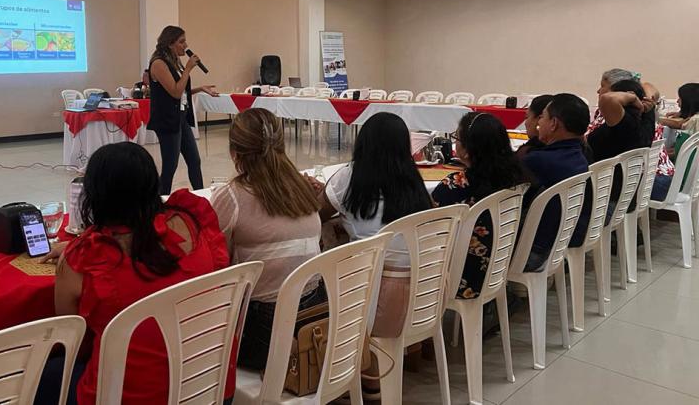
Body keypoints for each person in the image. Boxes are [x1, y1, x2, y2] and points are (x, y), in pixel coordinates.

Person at [35, 142, 231, 405]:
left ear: (95, 196)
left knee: (45, 374)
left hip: (129, 396)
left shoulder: (82, 261)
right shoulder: (192, 221)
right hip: (210, 385)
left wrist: (79, 247)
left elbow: (75, 347)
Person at [210, 108, 325, 370]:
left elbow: (217, 265)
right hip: (316, 314)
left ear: (234, 153)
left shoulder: (232, 197)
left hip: (264, 330)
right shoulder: (303, 187)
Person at [318, 112, 432, 336]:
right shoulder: (414, 180)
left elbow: (317, 215)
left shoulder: (348, 177)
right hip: (427, 294)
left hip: (372, 299)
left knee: (326, 232)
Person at [431, 112, 527, 298]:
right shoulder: (515, 177)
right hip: (499, 266)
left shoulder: (455, 185)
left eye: (456, 138)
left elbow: (430, 228)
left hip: (462, 275)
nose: (455, 142)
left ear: (467, 150)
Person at [520, 94, 591, 270]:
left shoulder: (538, 161)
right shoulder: (579, 154)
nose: (538, 123)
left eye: (542, 117)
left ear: (554, 124)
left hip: (533, 252)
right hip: (559, 244)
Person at [147, 25, 218, 194]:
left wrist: (199, 88)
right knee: (170, 166)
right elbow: (175, 92)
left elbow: (181, 91)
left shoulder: (173, 60)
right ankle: (160, 202)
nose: (185, 45)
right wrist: (188, 68)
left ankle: (202, 196)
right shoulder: (158, 63)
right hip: (167, 120)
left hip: (180, 118)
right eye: (181, 42)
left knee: (194, 160)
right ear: (170, 43)